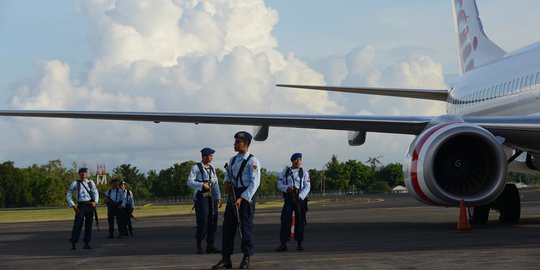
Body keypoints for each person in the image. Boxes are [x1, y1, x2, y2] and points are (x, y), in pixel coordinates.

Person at [213, 131, 261, 269]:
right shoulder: (232, 160)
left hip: (246, 196)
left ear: (245, 144)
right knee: (228, 227)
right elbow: (228, 176)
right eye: (235, 142)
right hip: (233, 195)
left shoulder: (253, 161)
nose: (235, 144)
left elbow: (255, 183)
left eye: (238, 142)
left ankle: (246, 257)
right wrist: (226, 183)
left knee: (246, 227)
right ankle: (226, 258)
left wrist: (243, 198)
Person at [187, 147, 223, 254]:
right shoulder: (196, 168)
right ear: (204, 156)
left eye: (212, 156)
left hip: (211, 196)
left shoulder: (212, 168)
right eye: (210, 156)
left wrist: (218, 197)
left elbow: (215, 183)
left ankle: (210, 245)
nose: (212, 158)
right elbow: (189, 182)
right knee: (203, 220)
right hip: (201, 195)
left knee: (213, 219)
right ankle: (199, 244)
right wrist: (201, 185)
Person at [275, 153, 311, 252]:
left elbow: (307, 187)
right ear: (292, 161)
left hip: (300, 198)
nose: (299, 161)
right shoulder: (285, 171)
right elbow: (279, 184)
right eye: (296, 159)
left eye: (300, 159)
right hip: (289, 197)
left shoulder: (304, 172)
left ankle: (299, 243)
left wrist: (300, 197)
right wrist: (287, 188)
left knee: (300, 221)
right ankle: (283, 243)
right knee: (285, 220)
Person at [66, 167, 99, 250]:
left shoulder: (91, 183)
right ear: (79, 174)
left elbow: (96, 193)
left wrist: (95, 202)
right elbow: (68, 194)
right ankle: (74, 242)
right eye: (82, 173)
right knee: (77, 224)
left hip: (89, 205)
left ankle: (87, 243)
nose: (83, 174)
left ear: (87, 174)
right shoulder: (75, 183)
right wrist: (73, 205)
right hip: (80, 206)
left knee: (89, 225)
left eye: (85, 173)